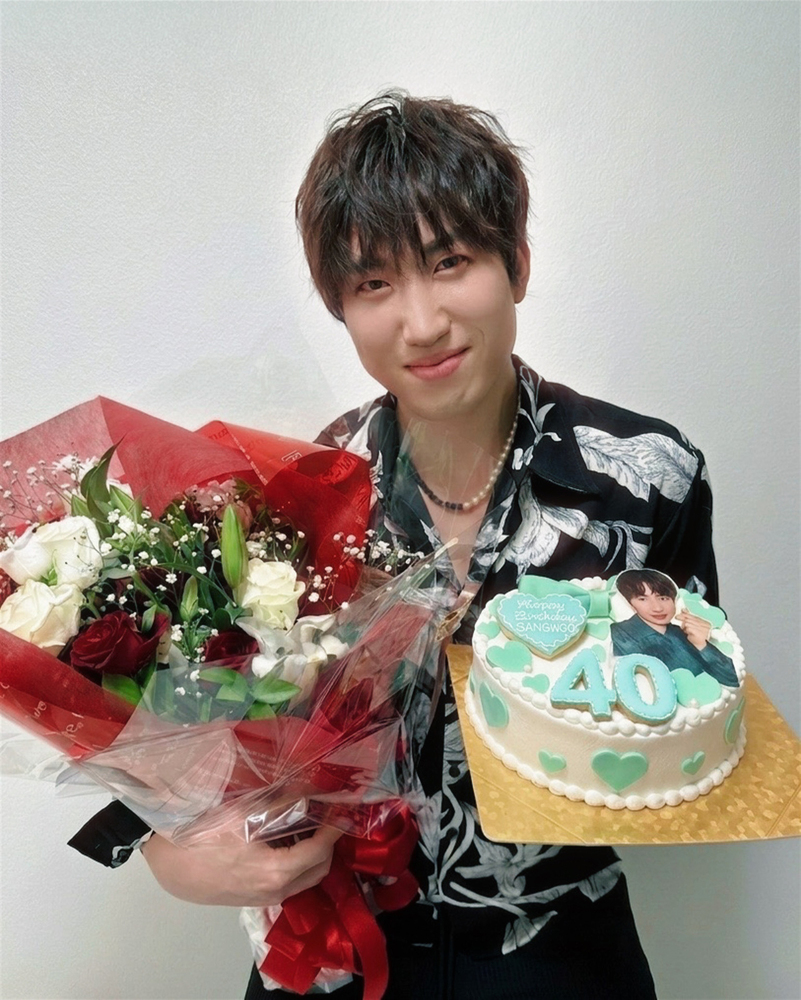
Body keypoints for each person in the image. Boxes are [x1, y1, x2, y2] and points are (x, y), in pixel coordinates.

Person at [70, 92, 724, 998]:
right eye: (374, 284)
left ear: (517, 263)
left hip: (557, 951)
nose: (420, 323)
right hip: (337, 942)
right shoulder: (299, 494)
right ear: (340, 307)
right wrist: (167, 852)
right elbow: (183, 703)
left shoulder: (645, 475)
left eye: (450, 261)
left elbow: (690, 707)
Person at [611, 568, 739, 687]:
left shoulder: (683, 633)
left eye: (663, 598)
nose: (657, 608)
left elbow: (732, 679)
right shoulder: (620, 634)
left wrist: (702, 645)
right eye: (643, 599)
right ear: (630, 604)